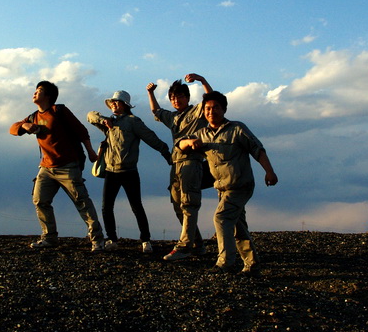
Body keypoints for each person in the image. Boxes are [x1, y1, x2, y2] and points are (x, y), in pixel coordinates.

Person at [178, 91, 278, 276]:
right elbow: (180, 145)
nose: (211, 111)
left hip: (240, 185)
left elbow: (257, 149)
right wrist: (191, 143)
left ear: (224, 109)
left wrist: (269, 171)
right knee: (237, 226)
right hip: (222, 188)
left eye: (216, 107)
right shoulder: (202, 134)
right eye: (207, 108)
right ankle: (252, 265)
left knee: (221, 218)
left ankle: (225, 263)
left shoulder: (237, 129)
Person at [10, 81, 106, 251]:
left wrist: (91, 152)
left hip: (68, 166)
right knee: (40, 201)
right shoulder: (33, 116)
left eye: (39, 91)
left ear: (48, 96)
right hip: (46, 168)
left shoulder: (59, 111)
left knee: (81, 201)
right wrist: (24, 125)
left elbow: (81, 130)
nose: (34, 93)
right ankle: (49, 238)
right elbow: (12, 128)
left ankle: (97, 240)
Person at [87, 90, 172, 253]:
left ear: (125, 105)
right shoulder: (108, 123)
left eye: (116, 102)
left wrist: (166, 153)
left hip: (129, 172)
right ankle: (112, 239)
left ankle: (146, 241)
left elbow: (151, 137)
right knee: (107, 207)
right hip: (111, 172)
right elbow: (89, 116)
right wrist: (103, 120)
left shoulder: (134, 122)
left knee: (136, 207)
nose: (113, 104)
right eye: (112, 102)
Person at [146, 73, 213, 262]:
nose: (176, 100)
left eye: (180, 96)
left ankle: (184, 246)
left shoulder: (197, 112)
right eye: (172, 98)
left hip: (192, 161)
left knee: (189, 203)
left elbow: (210, 99)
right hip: (175, 164)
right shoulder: (173, 117)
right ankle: (198, 245)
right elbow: (156, 111)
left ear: (187, 97)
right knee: (177, 205)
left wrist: (202, 80)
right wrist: (150, 93)